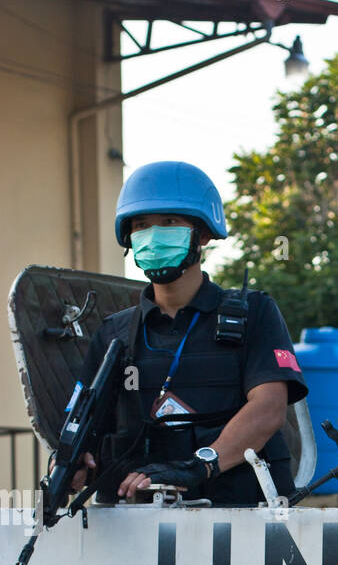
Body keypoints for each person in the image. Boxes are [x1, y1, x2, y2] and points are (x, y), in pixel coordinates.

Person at [72, 160, 308, 506]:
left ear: (203, 234)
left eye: (169, 222)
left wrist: (201, 465)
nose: (153, 235)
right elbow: (86, 424)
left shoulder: (254, 312)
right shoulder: (113, 334)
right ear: (128, 238)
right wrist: (76, 463)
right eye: (141, 225)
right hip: (133, 535)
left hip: (242, 523)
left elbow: (269, 407)